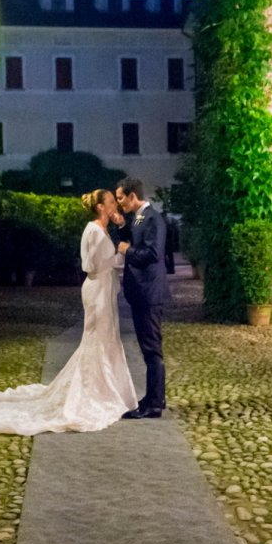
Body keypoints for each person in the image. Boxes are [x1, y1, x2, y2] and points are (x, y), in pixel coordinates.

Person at [0, 188, 138, 435]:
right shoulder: (94, 231)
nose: (115, 205)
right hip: (97, 291)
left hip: (104, 290)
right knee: (97, 339)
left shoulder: (103, 229)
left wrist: (118, 249)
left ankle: (107, 388)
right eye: (110, 202)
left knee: (106, 339)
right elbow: (90, 264)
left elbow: (107, 260)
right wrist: (119, 254)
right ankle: (93, 391)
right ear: (100, 207)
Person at [114, 176, 168, 419]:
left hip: (149, 292)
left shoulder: (153, 218)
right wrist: (120, 225)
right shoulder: (139, 217)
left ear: (132, 195)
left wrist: (128, 251)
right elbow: (136, 235)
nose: (119, 203)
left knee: (152, 348)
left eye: (121, 198)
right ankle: (153, 397)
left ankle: (155, 404)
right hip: (141, 292)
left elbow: (153, 253)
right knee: (148, 349)